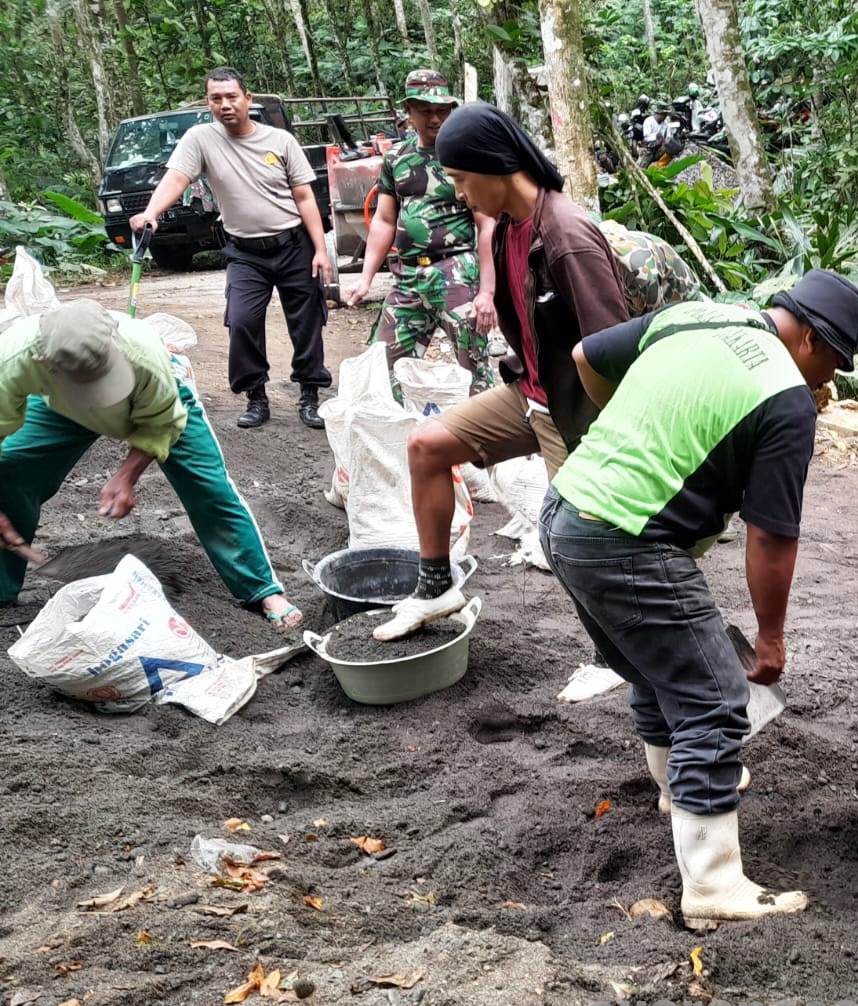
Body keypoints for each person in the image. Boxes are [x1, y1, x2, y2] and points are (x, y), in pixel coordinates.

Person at [542, 272, 858, 930]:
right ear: (808, 337)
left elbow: (586, 357)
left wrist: (637, 435)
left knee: (656, 665)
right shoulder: (785, 400)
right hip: (627, 537)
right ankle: (715, 884)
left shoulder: (694, 316)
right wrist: (771, 639)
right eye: (832, 360)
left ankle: (675, 792)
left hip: (565, 510)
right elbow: (772, 537)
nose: (828, 378)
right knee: (714, 702)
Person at [373, 103, 633, 701]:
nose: (460, 197)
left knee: (569, 537)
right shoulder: (514, 223)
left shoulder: (566, 236)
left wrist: (601, 447)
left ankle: (614, 656)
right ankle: (437, 586)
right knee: (427, 445)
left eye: (462, 181)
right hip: (532, 392)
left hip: (578, 412)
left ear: (496, 167)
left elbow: (618, 353)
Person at [0, 301, 301, 627]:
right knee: (12, 469)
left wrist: (126, 476)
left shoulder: (145, 356)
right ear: (44, 361)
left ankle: (262, 588)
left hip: (156, 407)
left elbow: (163, 423)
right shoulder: (14, 358)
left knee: (208, 487)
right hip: (59, 407)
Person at [131, 67, 332, 431]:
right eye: (216, 98)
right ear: (208, 102)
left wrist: (321, 249)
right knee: (241, 321)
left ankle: (309, 395)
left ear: (247, 99)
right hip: (245, 252)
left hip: (293, 245)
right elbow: (177, 178)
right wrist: (151, 212)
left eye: (231, 96)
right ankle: (256, 396)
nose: (224, 104)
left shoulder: (280, 141)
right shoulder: (200, 139)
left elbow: (305, 197)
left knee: (307, 322)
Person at [345, 70, 499, 394]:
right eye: (426, 110)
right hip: (408, 277)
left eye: (442, 110)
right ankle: (400, 438)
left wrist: (487, 292)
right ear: (409, 111)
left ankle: (484, 440)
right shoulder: (396, 158)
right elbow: (385, 221)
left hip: (456, 272)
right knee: (381, 368)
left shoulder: (464, 155)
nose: (435, 118)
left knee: (475, 370)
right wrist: (365, 278)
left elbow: (486, 224)